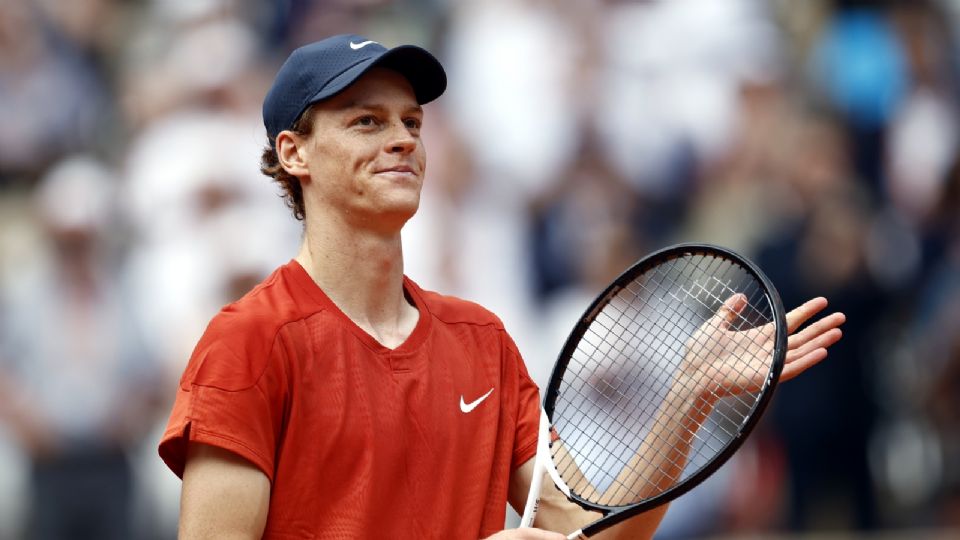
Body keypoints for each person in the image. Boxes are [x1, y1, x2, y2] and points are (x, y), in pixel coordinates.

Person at [158, 34, 846, 539]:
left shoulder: (480, 341)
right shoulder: (246, 343)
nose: (402, 138)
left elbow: (585, 537)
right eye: (367, 120)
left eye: (412, 122)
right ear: (293, 153)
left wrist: (685, 399)